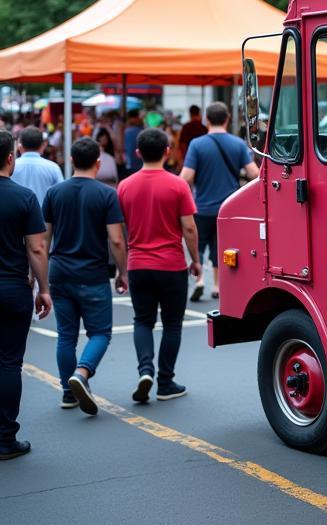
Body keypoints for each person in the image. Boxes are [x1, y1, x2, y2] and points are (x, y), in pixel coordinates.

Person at [42, 138, 128, 415]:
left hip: (59, 271)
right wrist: (123, 271)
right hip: (92, 273)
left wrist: (39, 278)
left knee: (65, 335)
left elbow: (43, 240)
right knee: (100, 332)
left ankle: (68, 393)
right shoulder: (106, 194)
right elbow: (116, 240)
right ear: (98, 163)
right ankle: (82, 372)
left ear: (70, 160)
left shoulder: (54, 193)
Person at [117, 128, 200, 402]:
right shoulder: (178, 185)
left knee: (142, 320)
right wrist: (196, 260)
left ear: (137, 153)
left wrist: (121, 269)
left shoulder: (125, 186)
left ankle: (145, 370)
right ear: (167, 152)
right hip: (171, 264)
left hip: (138, 264)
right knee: (172, 324)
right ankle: (166, 383)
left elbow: (119, 231)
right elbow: (188, 227)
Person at [0, 130, 52, 460]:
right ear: (10, 157)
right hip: (11, 287)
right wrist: (44, 288)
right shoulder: (23, 197)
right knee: (8, 362)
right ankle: (5, 438)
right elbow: (37, 247)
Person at [180, 102, 258, 302]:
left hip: (202, 207)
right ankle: (217, 285)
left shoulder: (197, 144)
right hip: (228, 208)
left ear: (207, 120)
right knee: (222, 247)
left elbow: (186, 177)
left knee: (198, 245)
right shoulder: (238, 144)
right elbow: (254, 174)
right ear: (227, 119)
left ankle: (199, 281)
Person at [12, 126, 63, 206]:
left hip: (15, 216)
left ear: (20, 146)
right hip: (44, 217)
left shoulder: (11, 167)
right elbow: (60, 196)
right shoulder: (53, 168)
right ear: (42, 146)